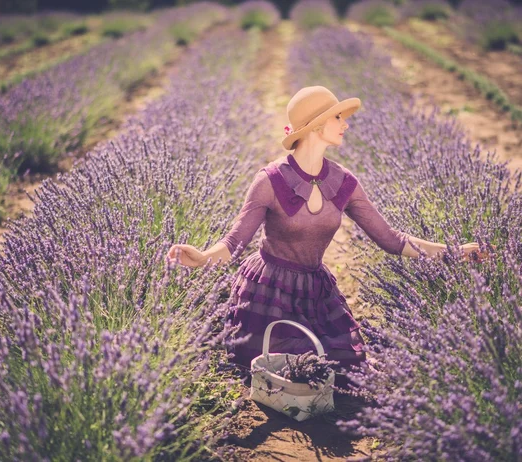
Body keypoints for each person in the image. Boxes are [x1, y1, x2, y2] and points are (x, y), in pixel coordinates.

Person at [166, 86, 491, 390]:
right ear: (316, 125)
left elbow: (391, 239)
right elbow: (235, 241)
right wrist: (203, 258)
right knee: (286, 367)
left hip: (314, 291)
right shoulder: (270, 180)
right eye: (337, 117)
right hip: (268, 293)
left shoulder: (343, 181)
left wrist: (452, 252)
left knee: (345, 365)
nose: (345, 125)